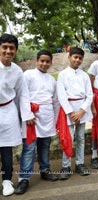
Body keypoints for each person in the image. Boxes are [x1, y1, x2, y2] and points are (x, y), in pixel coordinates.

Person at [14, 50, 59, 195]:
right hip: (31, 118)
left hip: (46, 117)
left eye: (47, 61)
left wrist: (56, 119)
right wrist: (27, 115)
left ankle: (45, 170)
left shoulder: (52, 80)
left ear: (51, 63)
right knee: (29, 148)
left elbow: (55, 101)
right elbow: (22, 96)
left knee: (45, 146)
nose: (45, 64)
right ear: (36, 61)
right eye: (42, 61)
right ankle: (24, 178)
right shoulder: (28, 75)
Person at [0, 33, 35, 196]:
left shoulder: (17, 71)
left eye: (11, 48)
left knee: (6, 149)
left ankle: (7, 180)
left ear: (15, 50)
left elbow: (23, 94)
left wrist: (27, 115)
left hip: (8, 112)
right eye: (4, 47)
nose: (8, 51)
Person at [56, 47, 93, 180]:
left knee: (81, 138)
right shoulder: (63, 74)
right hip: (69, 110)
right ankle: (66, 166)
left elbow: (89, 95)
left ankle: (80, 163)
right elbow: (61, 95)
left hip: (82, 110)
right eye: (75, 57)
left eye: (80, 58)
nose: (77, 60)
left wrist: (82, 111)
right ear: (69, 57)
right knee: (68, 138)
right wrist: (72, 113)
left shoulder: (84, 75)